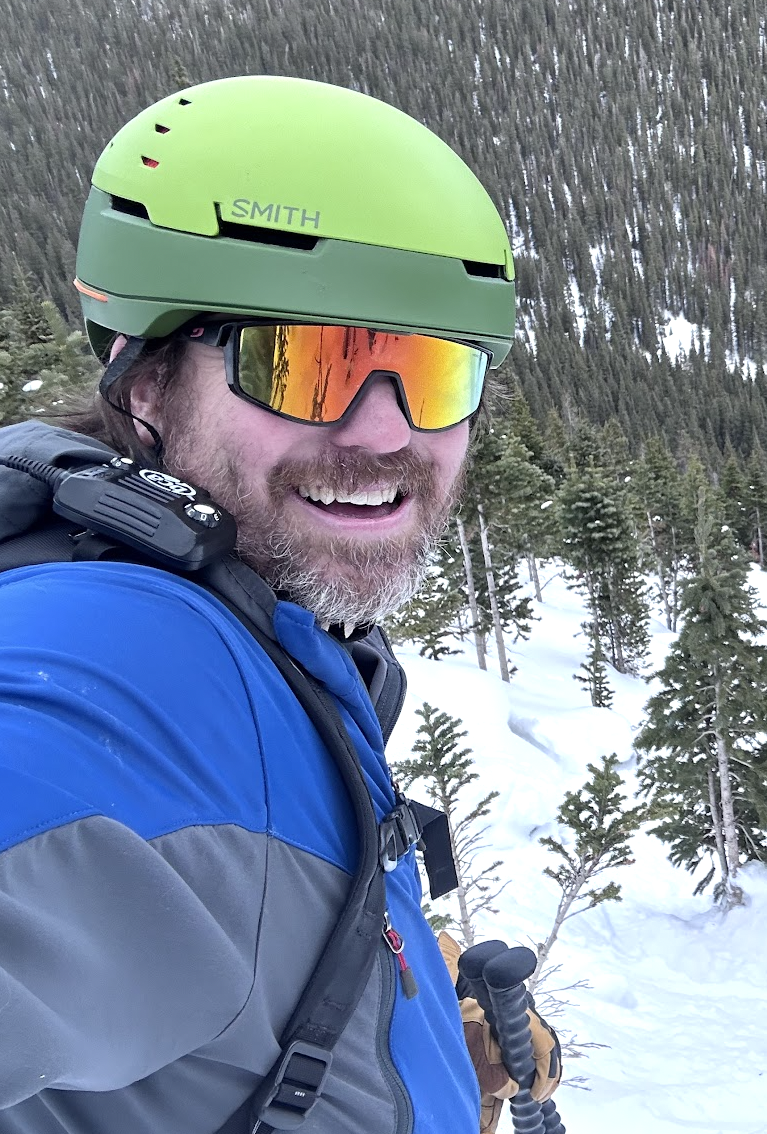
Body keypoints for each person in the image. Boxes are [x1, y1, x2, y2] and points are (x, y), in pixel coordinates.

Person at [0, 77, 556, 1133]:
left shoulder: (255, 624)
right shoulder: (129, 663)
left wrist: (410, 1025)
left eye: (432, 376)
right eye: (306, 366)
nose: (385, 437)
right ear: (148, 384)